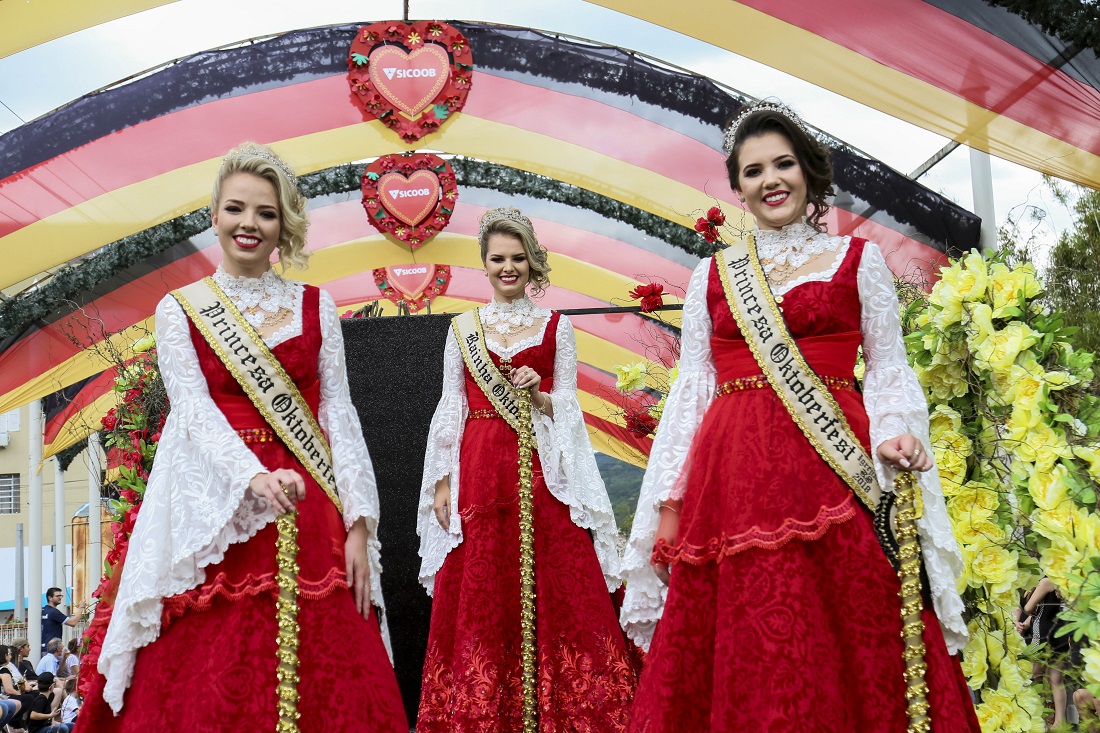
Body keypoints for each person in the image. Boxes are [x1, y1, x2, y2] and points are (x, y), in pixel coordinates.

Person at [620, 101, 980, 731]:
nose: (771, 180)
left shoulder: (857, 261)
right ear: (739, 188)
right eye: (754, 171)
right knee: (751, 631)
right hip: (732, 480)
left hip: (834, 469)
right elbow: (693, 389)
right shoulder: (712, 276)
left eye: (783, 164)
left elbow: (890, 368)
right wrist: (666, 500)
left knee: (853, 629)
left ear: (810, 173)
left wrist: (896, 430)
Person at [73, 142, 408, 732]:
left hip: (311, 502)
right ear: (215, 216)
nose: (249, 224)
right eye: (236, 209)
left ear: (285, 226)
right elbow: (194, 412)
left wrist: (359, 524)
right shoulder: (180, 309)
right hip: (215, 503)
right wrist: (250, 476)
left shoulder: (316, 305)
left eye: (266, 213)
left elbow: (339, 414)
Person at [416, 207, 638, 731]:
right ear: (485, 264)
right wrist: (443, 481)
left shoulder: (556, 327)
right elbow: (450, 407)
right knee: (483, 585)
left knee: (555, 582)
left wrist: (539, 396)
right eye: (498, 259)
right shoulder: (461, 330)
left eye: (518, 258)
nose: (508, 267)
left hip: (542, 471)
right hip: (480, 462)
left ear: (532, 263)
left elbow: (569, 406)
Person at [1024, 576, 1073, 727]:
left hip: (1043, 632)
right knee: (1056, 680)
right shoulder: (1066, 582)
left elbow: (1027, 608)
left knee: (1033, 675)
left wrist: (1030, 609)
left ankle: (1039, 715)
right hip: (1061, 632)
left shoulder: (1047, 581)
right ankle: (1059, 722)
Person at [40, 589, 84, 655]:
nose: (60, 598)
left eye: (61, 596)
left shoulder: (44, 610)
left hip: (45, 647)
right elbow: (72, 622)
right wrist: (81, 608)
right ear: (50, 598)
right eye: (57, 596)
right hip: (53, 650)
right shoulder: (53, 612)